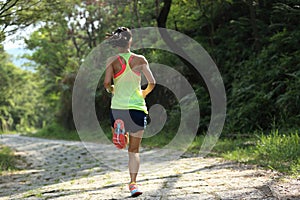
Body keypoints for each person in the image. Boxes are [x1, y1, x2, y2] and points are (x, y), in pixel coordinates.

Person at [103, 27, 156, 197]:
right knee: (134, 151)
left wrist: (112, 89)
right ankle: (133, 184)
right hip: (137, 107)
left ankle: (120, 132)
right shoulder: (140, 59)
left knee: (121, 143)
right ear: (130, 41)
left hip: (118, 107)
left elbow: (106, 83)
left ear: (115, 41)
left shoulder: (112, 60)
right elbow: (152, 82)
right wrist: (144, 93)